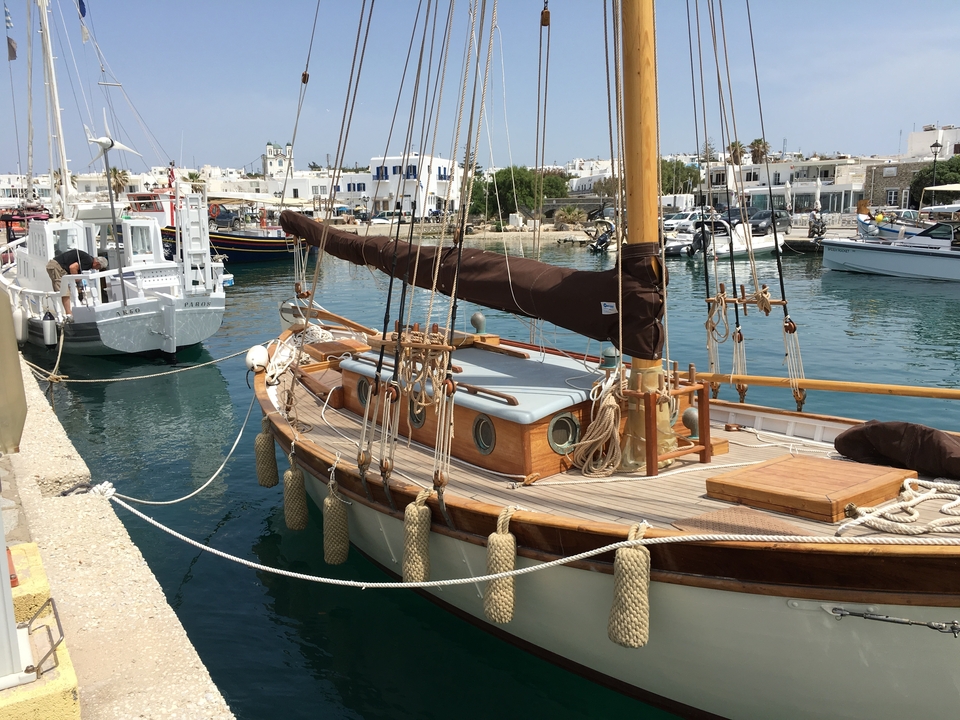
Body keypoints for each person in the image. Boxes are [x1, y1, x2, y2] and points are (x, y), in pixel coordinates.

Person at [45, 249, 107, 315]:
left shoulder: (88, 259)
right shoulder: (89, 261)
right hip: (56, 266)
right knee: (64, 291)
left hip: (58, 266)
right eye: (99, 268)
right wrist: (77, 280)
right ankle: (69, 313)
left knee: (66, 290)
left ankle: (70, 311)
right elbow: (72, 267)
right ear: (97, 264)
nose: (97, 269)